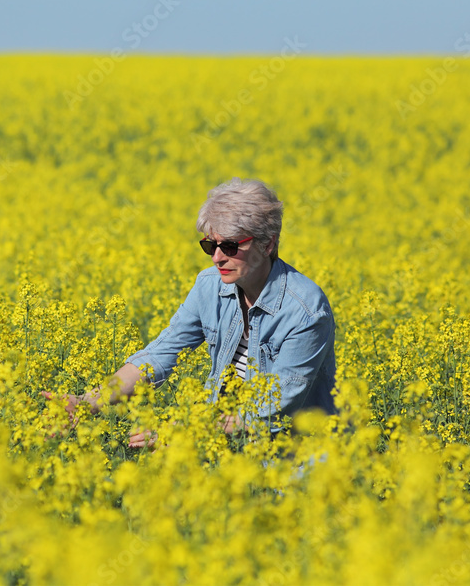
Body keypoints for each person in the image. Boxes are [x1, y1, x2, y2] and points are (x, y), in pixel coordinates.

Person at [43, 178, 337, 447]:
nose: (217, 257)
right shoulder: (210, 286)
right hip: (222, 448)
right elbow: (160, 354)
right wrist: (89, 402)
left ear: (267, 243)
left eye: (231, 246)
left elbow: (273, 410)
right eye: (210, 245)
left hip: (294, 464)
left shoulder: (306, 312)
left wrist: (182, 432)